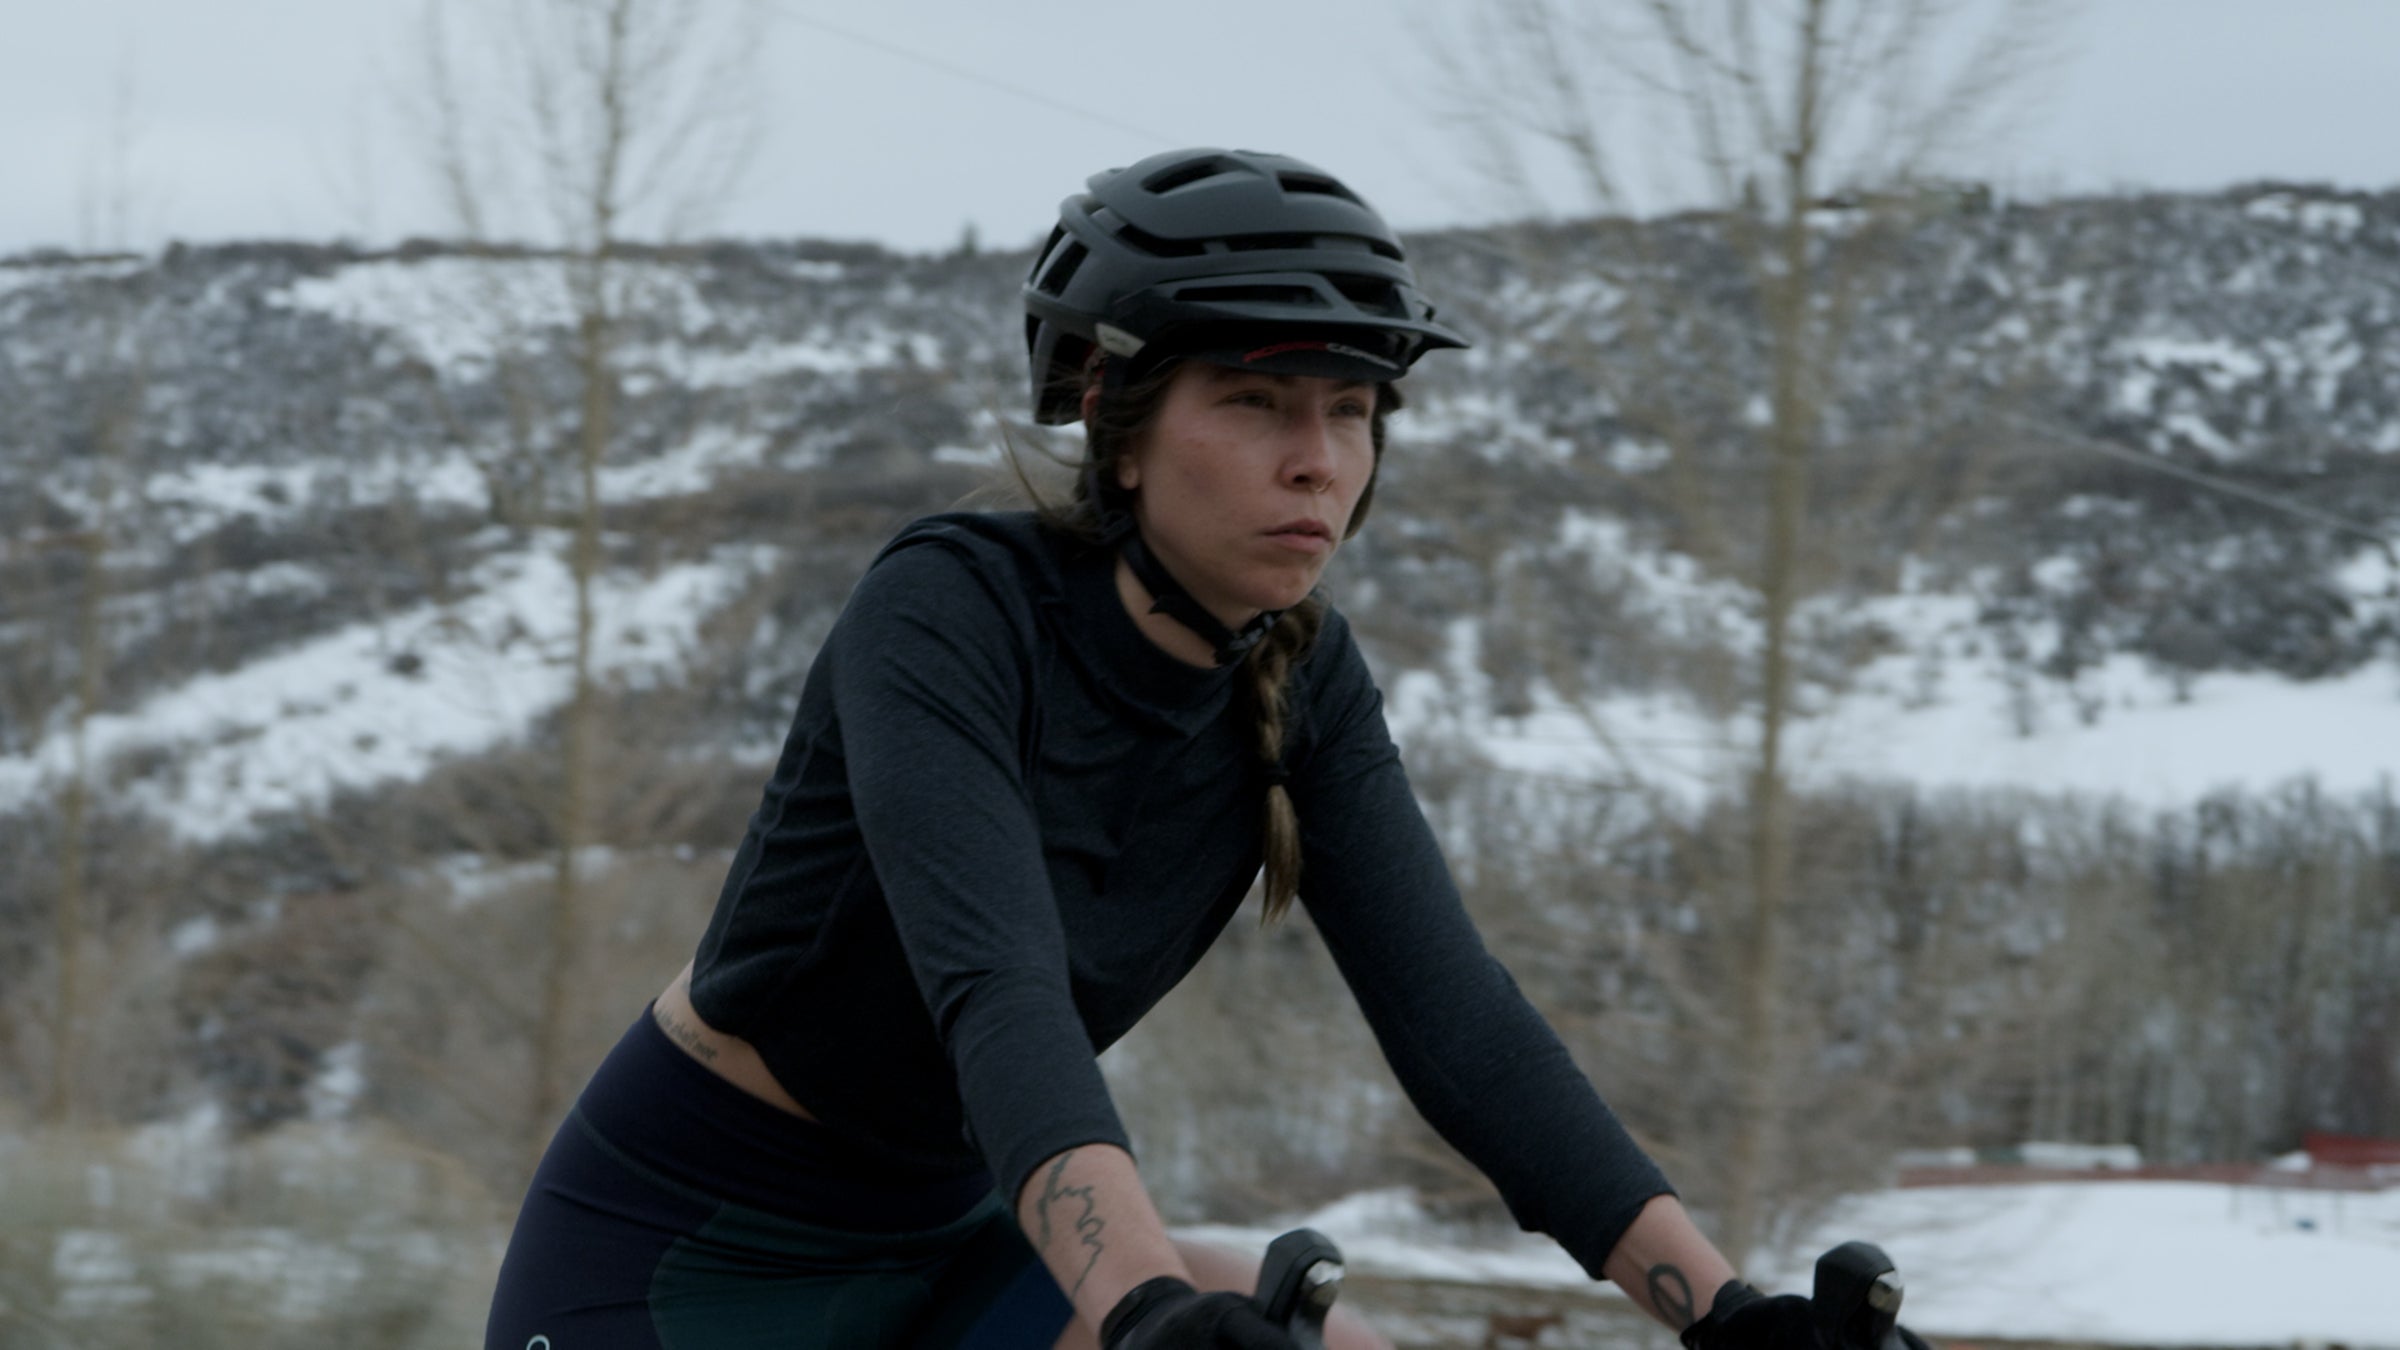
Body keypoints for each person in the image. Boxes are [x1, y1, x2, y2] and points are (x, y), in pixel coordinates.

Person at [484, 147, 1934, 1350]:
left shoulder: (1307, 681)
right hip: (688, 1249)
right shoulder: (944, 608)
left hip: (961, 1234)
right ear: (1118, 430)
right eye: (1256, 402)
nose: (1319, 457)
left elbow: (1464, 1029)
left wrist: (1725, 1310)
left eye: (1353, 412)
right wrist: (1142, 1306)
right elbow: (997, 990)